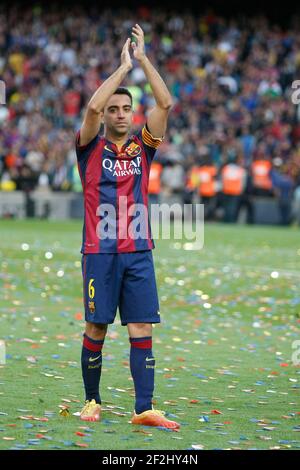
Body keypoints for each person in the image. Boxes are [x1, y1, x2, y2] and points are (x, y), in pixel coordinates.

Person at [75, 24, 180, 430]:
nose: (119, 114)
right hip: (100, 252)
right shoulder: (89, 147)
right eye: (113, 109)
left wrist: (142, 61)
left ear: (132, 115)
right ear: (106, 115)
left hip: (137, 250)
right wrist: (120, 71)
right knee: (96, 325)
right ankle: (91, 400)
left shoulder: (143, 147)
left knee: (141, 326)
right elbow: (89, 111)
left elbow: (166, 102)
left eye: (125, 109)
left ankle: (144, 408)